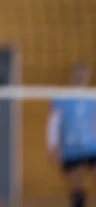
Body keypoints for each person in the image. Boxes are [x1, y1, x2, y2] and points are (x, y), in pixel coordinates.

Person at [47, 62, 96, 207]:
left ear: (89, 75)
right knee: (77, 191)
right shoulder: (62, 98)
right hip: (70, 147)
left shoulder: (93, 96)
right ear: (73, 75)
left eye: (84, 73)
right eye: (78, 73)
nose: (81, 76)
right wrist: (53, 146)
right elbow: (53, 123)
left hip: (91, 146)